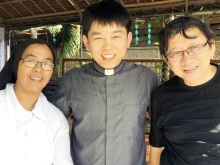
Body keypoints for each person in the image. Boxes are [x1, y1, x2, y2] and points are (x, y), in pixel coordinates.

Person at [51, 0, 160, 165]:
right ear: (86, 42)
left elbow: (165, 125)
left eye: (116, 36)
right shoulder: (72, 80)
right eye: (98, 37)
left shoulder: (146, 79)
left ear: (128, 39)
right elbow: (51, 125)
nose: (107, 47)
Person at [149, 16, 220, 165]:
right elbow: (157, 148)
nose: (187, 59)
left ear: (211, 46)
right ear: (166, 60)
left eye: (194, 47)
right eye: (175, 53)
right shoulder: (161, 95)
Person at [0, 39, 73, 165]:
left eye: (46, 63)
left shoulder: (57, 120)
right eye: (31, 61)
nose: (38, 69)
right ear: (16, 64)